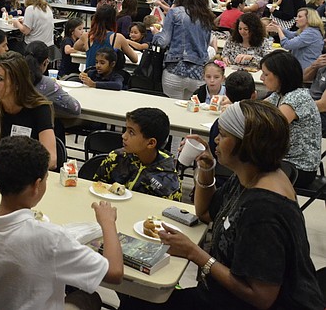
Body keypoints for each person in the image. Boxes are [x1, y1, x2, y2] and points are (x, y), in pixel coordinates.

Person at [122, 101, 324, 310]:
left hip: (242, 304)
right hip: (221, 296)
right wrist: (206, 168)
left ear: (247, 144)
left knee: (137, 296)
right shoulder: (253, 173)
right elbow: (206, 212)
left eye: (224, 135)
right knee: (135, 292)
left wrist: (194, 253)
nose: (216, 139)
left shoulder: (264, 209)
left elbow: (261, 297)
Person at [0, 136, 122, 310]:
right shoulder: (50, 238)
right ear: (36, 185)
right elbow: (114, 273)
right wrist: (108, 223)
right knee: (88, 298)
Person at [92, 106, 181, 200]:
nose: (123, 136)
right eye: (126, 130)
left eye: (131, 132)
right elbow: (96, 186)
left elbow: (169, 211)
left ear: (151, 143)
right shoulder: (116, 158)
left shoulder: (169, 179)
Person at [260, 50, 322, 187]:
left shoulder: (296, 98)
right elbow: (256, 108)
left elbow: (271, 128)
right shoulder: (279, 94)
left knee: (248, 169)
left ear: (281, 76)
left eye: (266, 74)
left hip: (299, 167)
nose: (261, 78)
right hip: (285, 161)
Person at [151, 0, 214, 99]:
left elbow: (163, 41)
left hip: (175, 69)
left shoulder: (175, 13)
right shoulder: (207, 17)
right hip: (199, 72)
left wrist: (156, 34)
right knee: (190, 111)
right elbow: (206, 44)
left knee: (172, 110)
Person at [23, 41, 82, 120]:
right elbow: (75, 108)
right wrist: (59, 89)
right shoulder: (47, 84)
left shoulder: (14, 78)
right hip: (39, 127)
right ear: (45, 62)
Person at [74, 4, 138, 70]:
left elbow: (76, 47)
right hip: (109, 79)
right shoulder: (117, 38)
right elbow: (135, 59)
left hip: (89, 77)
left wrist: (90, 50)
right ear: (113, 20)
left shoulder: (87, 36)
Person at [267, 7, 324, 71]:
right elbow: (292, 35)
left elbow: (287, 45)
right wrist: (280, 27)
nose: (296, 19)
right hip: (300, 67)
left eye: (300, 17)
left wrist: (278, 30)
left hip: (305, 69)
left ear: (309, 19)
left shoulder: (311, 33)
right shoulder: (307, 31)